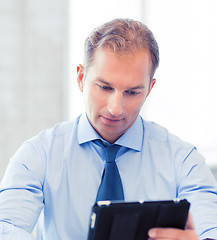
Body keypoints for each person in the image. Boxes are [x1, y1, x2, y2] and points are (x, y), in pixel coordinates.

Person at [0, 18, 217, 240]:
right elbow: (6, 226)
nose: (115, 108)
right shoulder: (38, 155)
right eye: (104, 87)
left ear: (149, 89)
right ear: (81, 78)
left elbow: (210, 230)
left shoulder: (184, 162)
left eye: (132, 92)